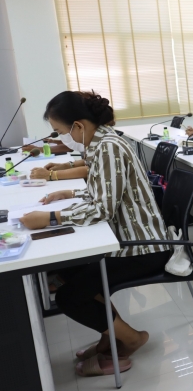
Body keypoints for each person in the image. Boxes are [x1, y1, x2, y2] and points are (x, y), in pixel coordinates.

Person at [19, 91, 170, 376]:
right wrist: (70, 193)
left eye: (60, 131)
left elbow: (103, 209)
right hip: (125, 239)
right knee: (70, 273)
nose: (60, 138)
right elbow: (104, 192)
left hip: (143, 247)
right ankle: (109, 337)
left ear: (77, 125)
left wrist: (50, 218)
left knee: (69, 296)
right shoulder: (100, 143)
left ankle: (131, 338)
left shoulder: (109, 147)